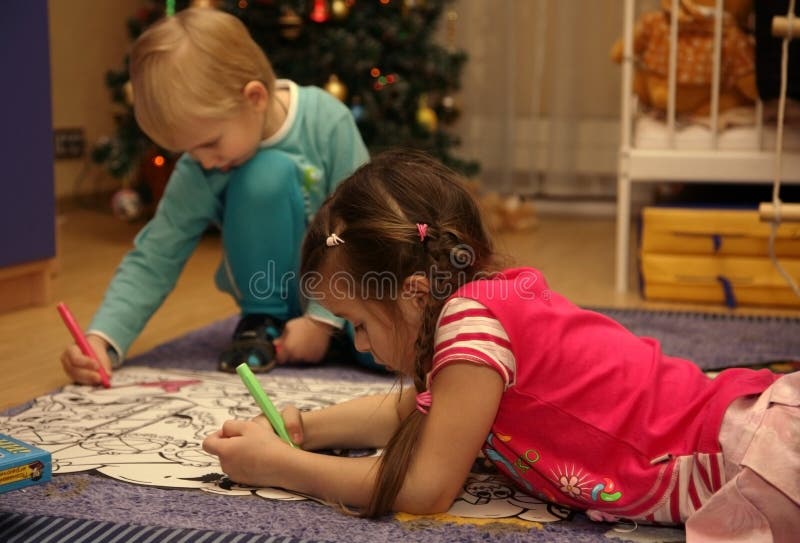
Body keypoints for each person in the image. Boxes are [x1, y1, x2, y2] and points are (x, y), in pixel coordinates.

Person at [203, 149, 799, 541]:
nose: (358, 342)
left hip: (748, 462)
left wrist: (283, 465)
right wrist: (308, 426)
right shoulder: (480, 303)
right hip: (743, 429)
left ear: (412, 293)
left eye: (357, 321)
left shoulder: (469, 325)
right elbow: (423, 410)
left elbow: (425, 488)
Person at [60, 7, 372, 385]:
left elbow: (360, 227)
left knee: (388, 352)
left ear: (254, 97)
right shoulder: (202, 162)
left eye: (209, 143)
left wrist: (323, 320)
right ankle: (263, 320)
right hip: (275, 306)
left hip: (352, 294)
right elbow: (156, 253)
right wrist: (102, 339)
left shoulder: (327, 122)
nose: (203, 161)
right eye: (189, 151)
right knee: (263, 174)